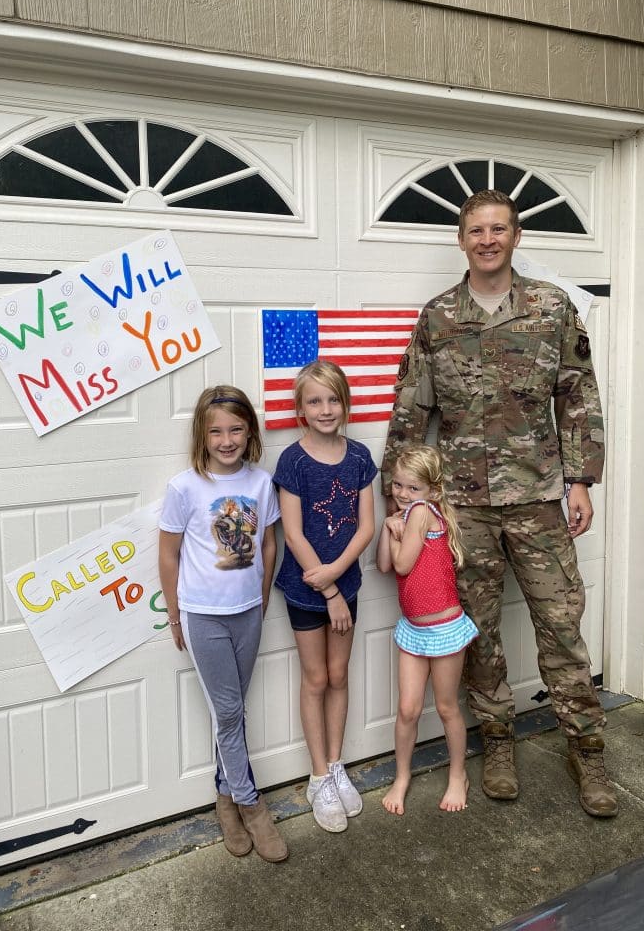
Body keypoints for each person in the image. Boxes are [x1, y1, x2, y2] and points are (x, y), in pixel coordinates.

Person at [381, 189, 618, 818]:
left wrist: (580, 481)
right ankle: (498, 745)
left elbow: (578, 398)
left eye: (498, 229)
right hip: (463, 512)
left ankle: (588, 754)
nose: (487, 240)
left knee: (561, 630)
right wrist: (398, 503)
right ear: (463, 240)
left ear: (516, 237)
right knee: (478, 635)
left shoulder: (551, 309)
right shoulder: (437, 319)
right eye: (475, 230)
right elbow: (411, 412)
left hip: (540, 498)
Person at [159, 385, 288, 862]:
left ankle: (224, 797)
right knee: (230, 712)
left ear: (249, 431)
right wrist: (175, 613)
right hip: (203, 615)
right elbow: (168, 555)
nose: (227, 439)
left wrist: (261, 594)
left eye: (236, 429)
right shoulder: (185, 487)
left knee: (230, 712)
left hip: (247, 614)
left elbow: (269, 543)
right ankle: (252, 806)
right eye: (216, 430)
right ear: (202, 434)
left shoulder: (259, 482)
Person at [273, 361, 376, 833]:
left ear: (345, 403)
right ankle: (317, 776)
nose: (325, 408)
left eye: (333, 399)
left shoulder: (358, 457)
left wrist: (339, 574)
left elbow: (366, 525)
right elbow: (292, 534)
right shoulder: (292, 462)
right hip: (306, 591)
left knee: (340, 675)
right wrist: (329, 588)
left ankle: (337, 765)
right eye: (314, 400)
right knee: (316, 678)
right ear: (300, 409)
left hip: (344, 585)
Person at [376, 446, 478, 816]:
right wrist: (389, 526)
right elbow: (384, 564)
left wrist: (395, 527)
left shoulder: (420, 513)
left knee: (449, 707)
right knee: (407, 710)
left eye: (413, 487)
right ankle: (401, 777)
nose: (403, 493)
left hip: (445, 628)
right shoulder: (403, 515)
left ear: (433, 491)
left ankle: (457, 775)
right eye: (398, 485)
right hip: (413, 630)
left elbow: (403, 565)